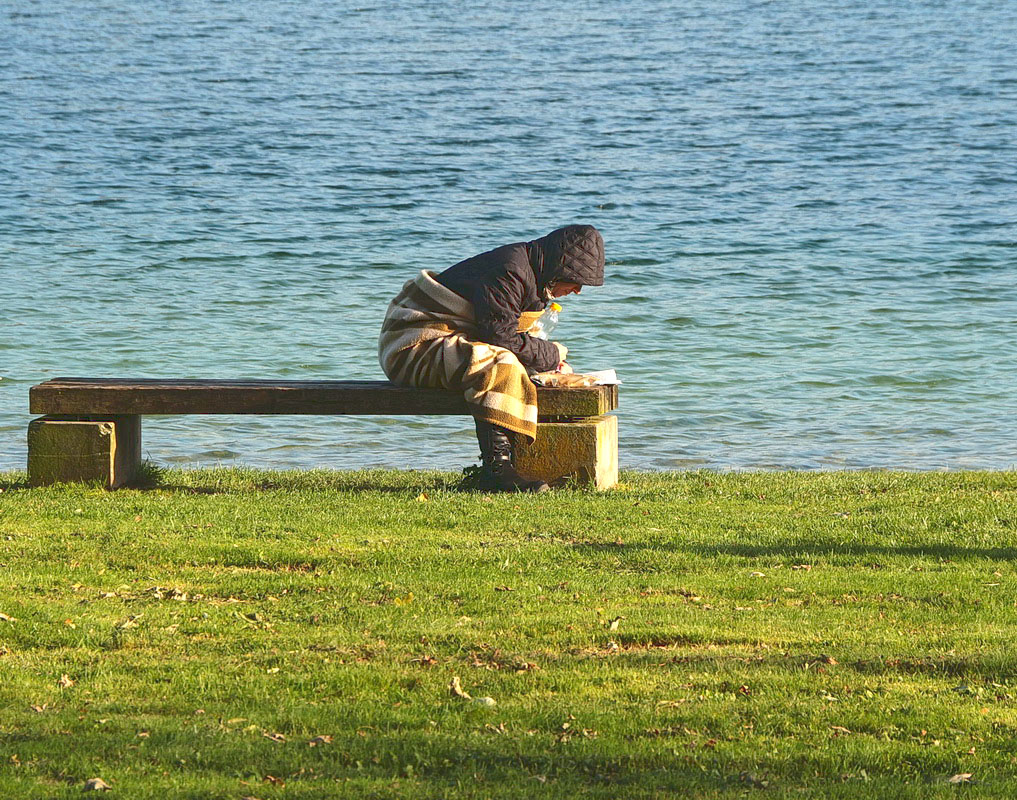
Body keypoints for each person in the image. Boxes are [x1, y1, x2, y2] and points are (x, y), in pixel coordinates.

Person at [379, 224, 605, 492]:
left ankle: (511, 464)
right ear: (560, 268)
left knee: (528, 369)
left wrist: (550, 363)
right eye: (577, 280)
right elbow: (500, 339)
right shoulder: (509, 271)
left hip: (440, 341)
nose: (578, 290)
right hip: (412, 346)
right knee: (499, 363)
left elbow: (506, 334)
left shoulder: (532, 276)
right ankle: (496, 471)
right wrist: (552, 354)